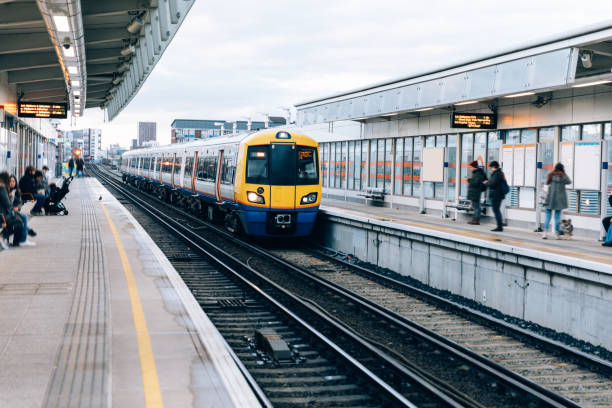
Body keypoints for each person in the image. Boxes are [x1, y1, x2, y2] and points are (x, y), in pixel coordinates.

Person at [542, 163, 571, 239]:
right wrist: (564, 173)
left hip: (550, 199)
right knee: (557, 217)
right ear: (562, 169)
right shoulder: (563, 176)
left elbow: (546, 183)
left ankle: (545, 233)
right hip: (559, 200)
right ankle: (557, 234)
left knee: (548, 217)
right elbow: (569, 182)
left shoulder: (550, 175)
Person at [7, 175, 37, 246]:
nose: (12, 183)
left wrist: (17, 207)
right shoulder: (5, 191)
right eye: (10, 181)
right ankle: (24, 237)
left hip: (15, 211)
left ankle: (24, 237)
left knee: (24, 216)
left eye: (13, 181)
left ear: (15, 182)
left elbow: (20, 203)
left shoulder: (17, 191)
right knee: (24, 217)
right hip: (8, 212)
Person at [0, 172, 24, 248]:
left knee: (19, 220)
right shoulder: (2, 188)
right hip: (2, 216)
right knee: (19, 223)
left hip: (3, 214)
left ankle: (4, 237)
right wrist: (10, 199)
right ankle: (5, 237)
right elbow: (7, 204)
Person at [486, 161, 507, 232]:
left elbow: (493, 183)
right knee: (496, 210)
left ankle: (499, 227)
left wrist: (487, 183)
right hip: (499, 195)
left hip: (496, 195)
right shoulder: (500, 173)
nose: (490, 169)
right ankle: (499, 226)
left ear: (494, 167)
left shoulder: (497, 174)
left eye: (491, 167)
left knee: (496, 210)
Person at [467, 160, 487, 225]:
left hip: (476, 192)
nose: (470, 168)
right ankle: (475, 219)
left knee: (476, 206)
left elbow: (476, 183)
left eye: (471, 167)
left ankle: (476, 220)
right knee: (475, 206)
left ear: (474, 167)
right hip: (475, 192)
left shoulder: (478, 173)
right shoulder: (476, 173)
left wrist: (469, 180)